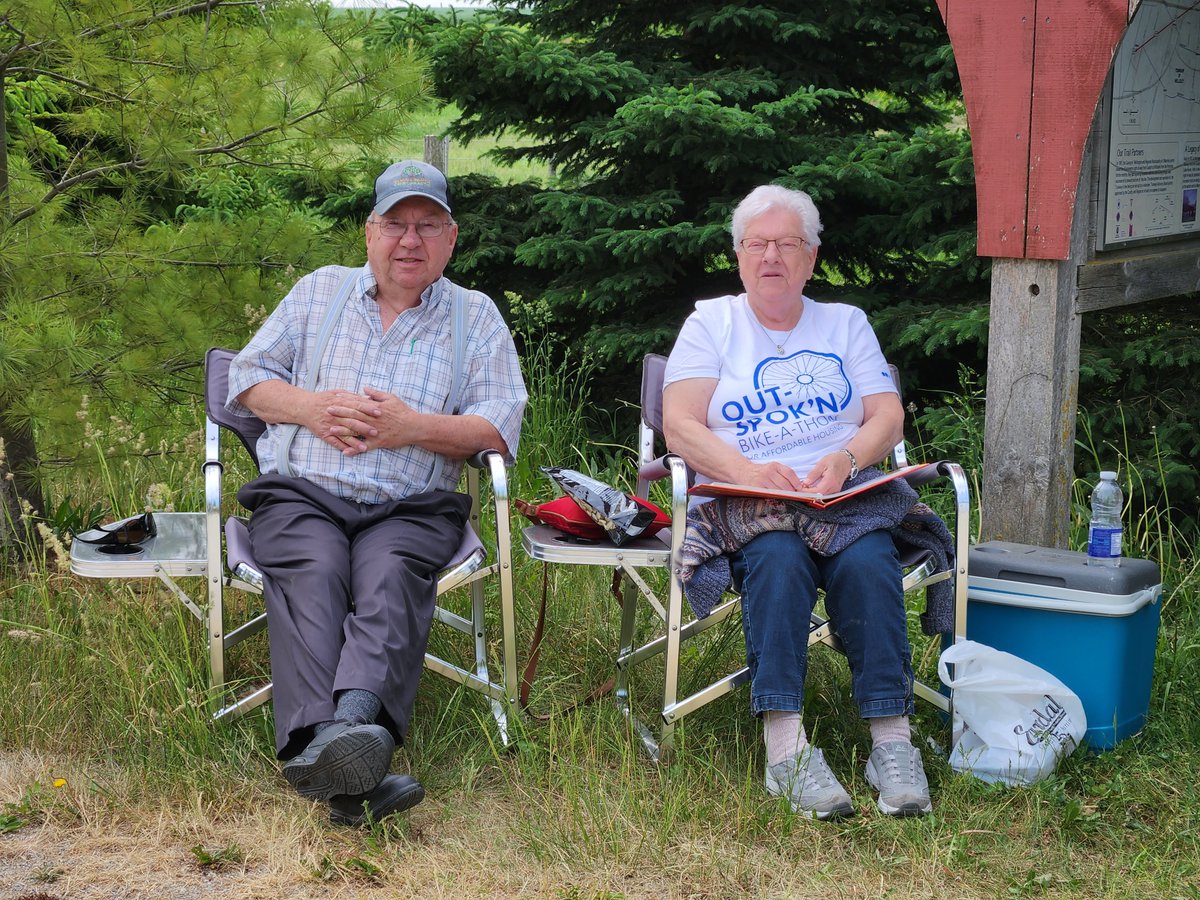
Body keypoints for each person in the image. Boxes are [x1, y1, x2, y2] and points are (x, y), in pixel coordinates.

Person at [226, 160, 527, 826]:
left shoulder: (475, 317)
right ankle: (348, 757)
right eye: (395, 224)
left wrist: (411, 427)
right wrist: (309, 408)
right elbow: (245, 379)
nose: (409, 241)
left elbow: (498, 428)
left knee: (390, 574)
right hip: (304, 494)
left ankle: (336, 744)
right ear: (370, 232)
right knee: (315, 568)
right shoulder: (319, 291)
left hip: (411, 506)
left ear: (451, 238)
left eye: (427, 226)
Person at [662, 184, 936, 819]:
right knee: (779, 560)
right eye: (757, 244)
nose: (771, 257)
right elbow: (680, 425)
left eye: (787, 244)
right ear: (738, 255)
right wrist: (751, 472)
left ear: (811, 258)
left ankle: (891, 742)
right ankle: (785, 750)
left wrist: (847, 460)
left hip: (842, 498)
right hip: (749, 500)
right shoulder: (711, 325)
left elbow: (887, 416)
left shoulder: (845, 323)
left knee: (868, 560)